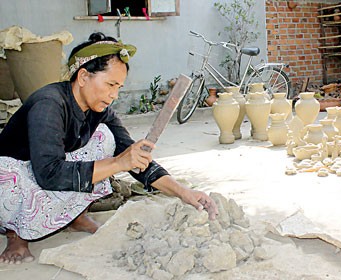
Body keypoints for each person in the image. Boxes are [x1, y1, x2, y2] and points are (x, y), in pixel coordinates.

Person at [0, 32, 218, 264]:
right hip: (14, 181)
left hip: (44, 177)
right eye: (110, 84)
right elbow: (48, 174)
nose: (114, 95)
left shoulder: (100, 111)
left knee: (106, 138)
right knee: (8, 172)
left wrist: (184, 192)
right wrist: (117, 163)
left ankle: (75, 217)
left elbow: (134, 157)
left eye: (119, 87)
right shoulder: (49, 104)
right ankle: (16, 234)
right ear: (83, 76)